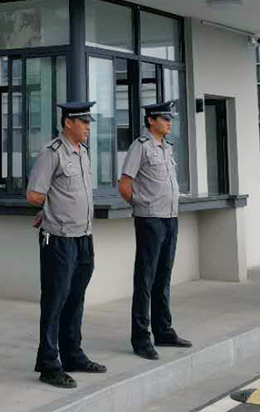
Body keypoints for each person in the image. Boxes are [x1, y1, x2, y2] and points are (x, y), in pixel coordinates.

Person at [26, 100, 107, 389]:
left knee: (76, 298)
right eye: (83, 122)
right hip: (59, 239)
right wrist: (50, 209)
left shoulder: (82, 153)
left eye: (88, 122)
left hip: (83, 237)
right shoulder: (53, 152)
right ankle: (49, 364)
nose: (88, 127)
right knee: (55, 301)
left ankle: (72, 354)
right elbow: (34, 194)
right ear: (68, 123)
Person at [118, 99, 192, 360]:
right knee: (145, 279)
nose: (169, 123)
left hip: (170, 218)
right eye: (165, 118)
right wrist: (142, 206)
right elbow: (124, 184)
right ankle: (141, 338)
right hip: (150, 219)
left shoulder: (167, 148)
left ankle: (163, 331)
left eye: (170, 119)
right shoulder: (140, 147)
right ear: (151, 120)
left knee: (164, 276)